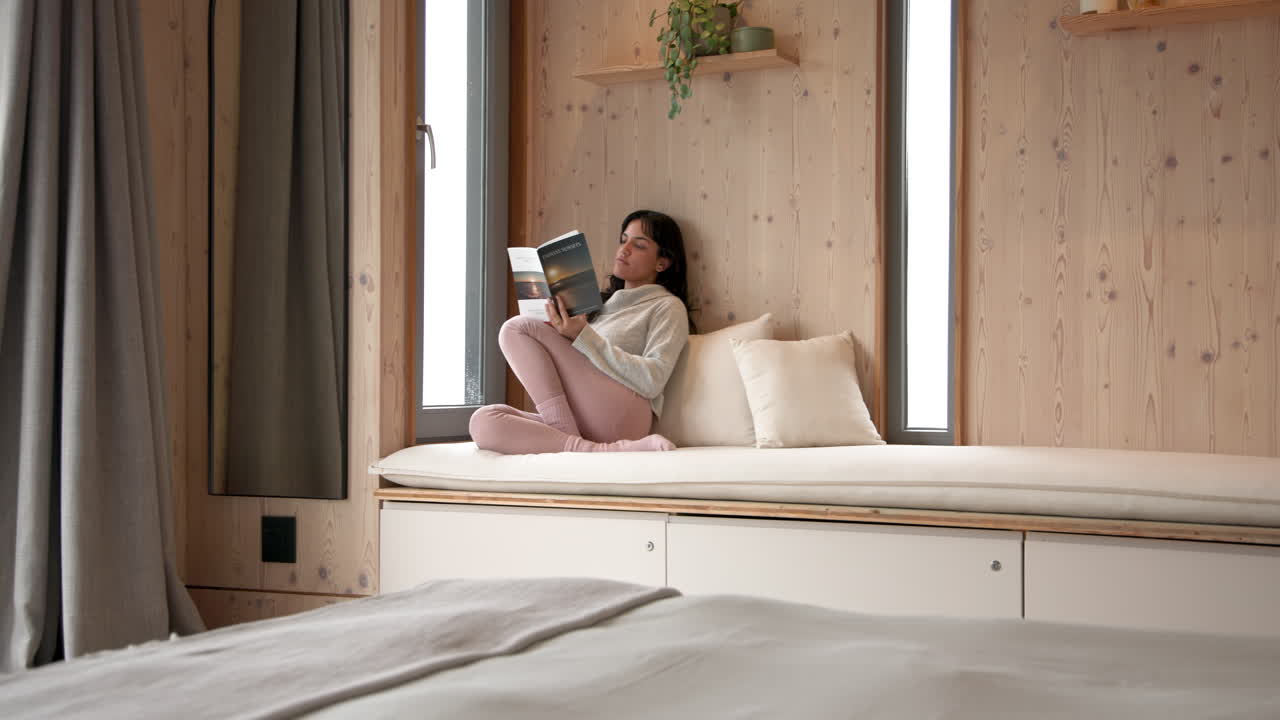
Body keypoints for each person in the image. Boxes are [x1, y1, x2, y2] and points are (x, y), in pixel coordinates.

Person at [469, 210, 692, 454]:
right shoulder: (598, 307)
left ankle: (571, 441)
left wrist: (584, 336)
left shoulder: (667, 306)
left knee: (515, 328)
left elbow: (652, 380)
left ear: (663, 262)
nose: (624, 249)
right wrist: (563, 331)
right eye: (623, 239)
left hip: (624, 412)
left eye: (638, 245)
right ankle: (592, 450)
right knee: (484, 421)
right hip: (582, 419)